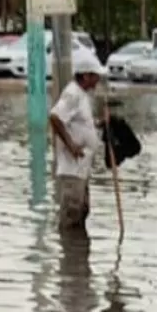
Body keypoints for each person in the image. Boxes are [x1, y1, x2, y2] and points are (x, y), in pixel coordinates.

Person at [49, 58, 105, 231]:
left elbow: (81, 124)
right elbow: (55, 117)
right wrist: (71, 145)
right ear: (86, 76)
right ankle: (70, 252)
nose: (98, 81)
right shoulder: (73, 94)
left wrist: (99, 124)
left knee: (82, 210)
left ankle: (78, 253)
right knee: (72, 213)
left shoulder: (82, 95)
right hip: (72, 168)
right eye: (96, 77)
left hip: (82, 168)